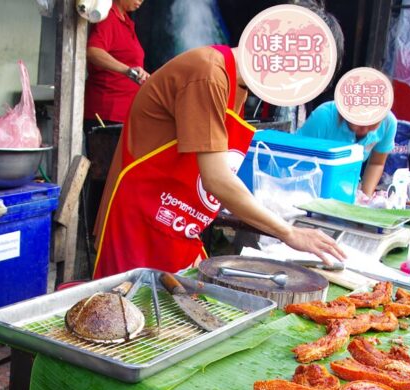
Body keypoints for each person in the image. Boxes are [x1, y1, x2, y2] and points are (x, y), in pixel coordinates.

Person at [92, 44, 344, 279]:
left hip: (178, 224)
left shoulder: (237, 85)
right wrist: (288, 232)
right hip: (139, 220)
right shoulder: (209, 74)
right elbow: (216, 179)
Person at [295, 100, 397, 197]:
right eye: (359, 122)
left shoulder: (388, 122)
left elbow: (376, 164)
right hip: (310, 187)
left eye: (372, 124)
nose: (365, 129)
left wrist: (365, 197)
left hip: (347, 188)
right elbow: (296, 159)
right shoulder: (324, 116)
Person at [83, 0, 149, 133]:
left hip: (124, 114)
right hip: (107, 114)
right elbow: (93, 51)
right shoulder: (107, 17)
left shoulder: (125, 21)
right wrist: (127, 71)